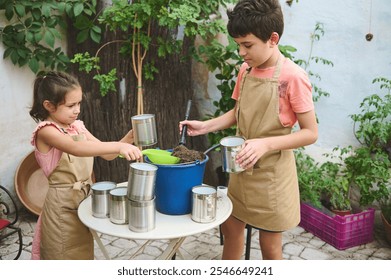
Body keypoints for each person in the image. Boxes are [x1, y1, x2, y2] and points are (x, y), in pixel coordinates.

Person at [180, 0, 318, 260]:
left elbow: (310, 133)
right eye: (238, 45)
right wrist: (206, 125)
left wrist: (265, 144)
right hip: (241, 171)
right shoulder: (246, 70)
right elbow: (238, 112)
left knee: (269, 247)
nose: (241, 52)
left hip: (272, 178)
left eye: (247, 45)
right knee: (231, 231)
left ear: (273, 39)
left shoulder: (293, 77)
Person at [29, 71, 142, 260]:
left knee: (83, 257)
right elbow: (76, 148)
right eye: (71, 105)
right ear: (48, 106)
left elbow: (106, 154)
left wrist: (128, 139)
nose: (77, 110)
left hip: (83, 201)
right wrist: (120, 146)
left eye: (79, 103)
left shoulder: (77, 127)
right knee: (63, 258)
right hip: (62, 208)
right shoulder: (46, 131)